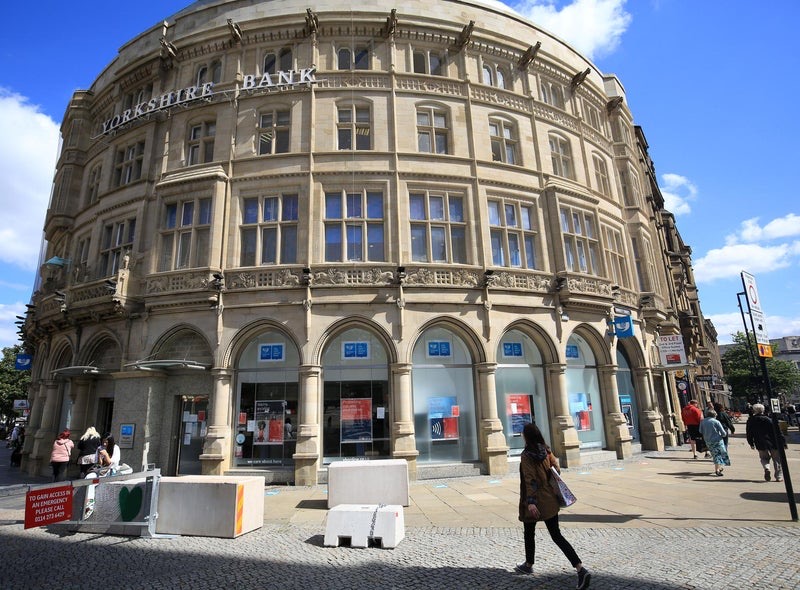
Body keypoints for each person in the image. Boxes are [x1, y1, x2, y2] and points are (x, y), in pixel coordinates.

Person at [515, 422, 591, 589]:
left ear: (527, 436)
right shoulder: (546, 450)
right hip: (550, 499)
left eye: (523, 433)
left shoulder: (527, 455)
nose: (521, 435)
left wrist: (531, 502)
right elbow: (557, 469)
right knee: (556, 535)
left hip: (535, 500)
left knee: (529, 532)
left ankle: (528, 564)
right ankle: (580, 568)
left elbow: (530, 480)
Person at [746, 404, 785, 482]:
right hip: (773, 442)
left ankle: (767, 468)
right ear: (763, 410)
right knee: (776, 459)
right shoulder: (769, 419)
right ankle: (779, 476)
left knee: (764, 458)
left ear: (754, 410)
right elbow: (778, 431)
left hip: (760, 442)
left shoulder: (751, 420)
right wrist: (783, 442)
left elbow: (749, 433)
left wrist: (751, 443)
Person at [698, 409, 731, 476]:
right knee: (719, 454)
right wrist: (723, 434)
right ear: (714, 415)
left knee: (715, 454)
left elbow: (700, 431)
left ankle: (719, 467)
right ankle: (717, 470)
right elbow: (723, 433)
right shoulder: (716, 422)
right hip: (717, 440)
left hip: (708, 440)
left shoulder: (702, 421)